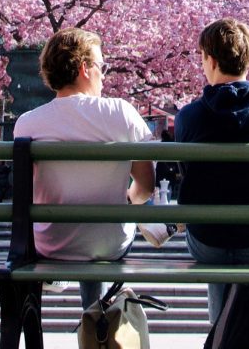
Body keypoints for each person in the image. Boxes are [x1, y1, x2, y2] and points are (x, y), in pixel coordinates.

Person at [10, 28, 157, 310]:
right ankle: (96, 315)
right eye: (102, 66)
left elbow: (28, 190)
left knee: (81, 234)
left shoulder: (28, 123)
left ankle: (76, 296)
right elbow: (146, 187)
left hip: (51, 243)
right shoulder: (120, 112)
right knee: (99, 237)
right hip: (108, 245)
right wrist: (128, 199)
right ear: (84, 68)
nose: (104, 74)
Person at [173, 19, 249, 326]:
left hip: (207, 239)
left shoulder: (189, 116)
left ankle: (222, 332)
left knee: (217, 238)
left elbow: (186, 174)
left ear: (211, 60)